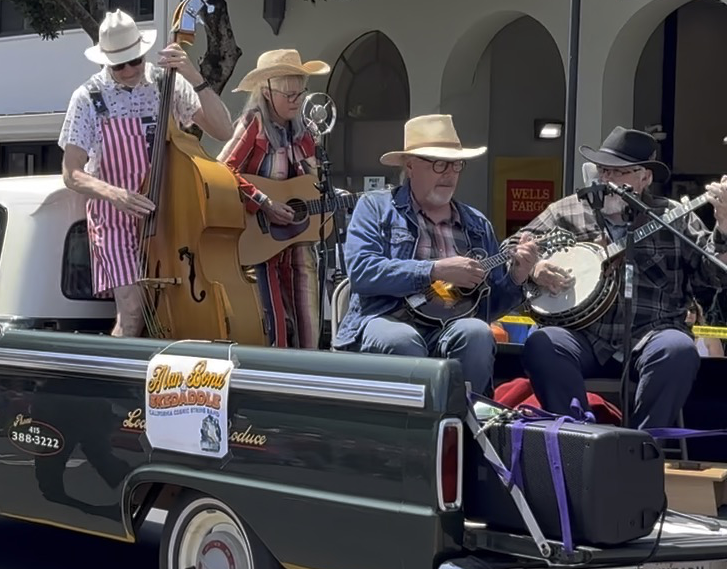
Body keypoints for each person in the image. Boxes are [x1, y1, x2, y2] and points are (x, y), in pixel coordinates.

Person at [517, 127, 727, 429]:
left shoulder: (675, 216)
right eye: (604, 170)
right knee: (543, 344)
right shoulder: (567, 211)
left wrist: (724, 228)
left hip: (652, 333)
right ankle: (577, 441)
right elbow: (514, 248)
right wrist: (535, 268)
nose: (607, 180)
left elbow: (714, 277)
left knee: (677, 351)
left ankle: (641, 448)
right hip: (583, 334)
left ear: (645, 178)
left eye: (619, 172)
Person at [59, 9, 235, 337]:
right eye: (118, 65)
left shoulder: (165, 82)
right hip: (116, 218)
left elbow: (224, 130)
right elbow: (71, 173)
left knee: (179, 303)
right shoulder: (87, 97)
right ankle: (120, 380)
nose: (128, 70)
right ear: (105, 62)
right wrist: (115, 194)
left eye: (134, 61)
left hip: (168, 212)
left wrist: (193, 75)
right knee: (133, 309)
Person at [333, 115, 538, 394]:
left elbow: (488, 307)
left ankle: (467, 430)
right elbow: (362, 273)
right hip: (386, 319)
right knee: (402, 341)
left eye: (456, 165)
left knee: (477, 333)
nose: (449, 173)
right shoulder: (375, 208)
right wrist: (434, 270)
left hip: (451, 327)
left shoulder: (476, 224)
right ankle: (414, 433)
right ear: (411, 166)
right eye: (439, 164)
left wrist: (517, 277)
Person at [219, 49, 331, 348]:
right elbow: (222, 171)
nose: (296, 101)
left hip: (299, 239)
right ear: (267, 92)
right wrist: (263, 202)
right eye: (289, 94)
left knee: (308, 312)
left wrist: (329, 196)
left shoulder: (306, 132)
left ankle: (309, 370)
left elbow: (312, 183)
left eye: (300, 93)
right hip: (261, 239)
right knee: (274, 319)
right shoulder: (253, 124)